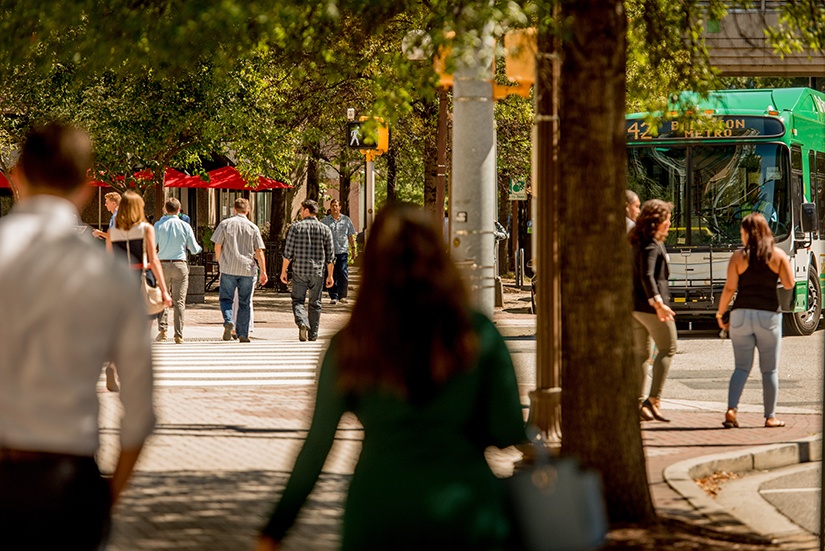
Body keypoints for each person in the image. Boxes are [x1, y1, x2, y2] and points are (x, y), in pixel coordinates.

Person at [257, 204, 526, 551]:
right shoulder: (476, 334)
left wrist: (274, 531)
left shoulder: (352, 342)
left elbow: (316, 447)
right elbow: (507, 431)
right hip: (466, 509)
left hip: (378, 511)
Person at [0, 123, 155, 549]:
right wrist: (107, 499)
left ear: (17, 175)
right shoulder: (110, 276)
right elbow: (139, 415)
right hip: (69, 482)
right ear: (85, 188)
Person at [717, 213, 794, 429]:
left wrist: (720, 313)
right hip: (768, 315)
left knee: (741, 367)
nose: (741, 236)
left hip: (741, 314)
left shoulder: (738, 257)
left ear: (748, 233)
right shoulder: (777, 255)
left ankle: (732, 409)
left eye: (742, 232)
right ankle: (770, 417)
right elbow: (789, 284)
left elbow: (730, 288)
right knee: (769, 370)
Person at [107, 191, 173, 390]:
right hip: (143, 279)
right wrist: (164, 289)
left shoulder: (113, 231)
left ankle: (115, 366)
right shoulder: (146, 229)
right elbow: (153, 260)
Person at [630, 199, 677, 423]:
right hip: (650, 308)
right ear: (656, 221)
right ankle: (653, 399)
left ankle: (638, 402)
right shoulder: (650, 244)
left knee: (642, 354)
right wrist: (658, 303)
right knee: (669, 347)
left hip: (635, 307)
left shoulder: (638, 241)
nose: (669, 223)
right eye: (667, 219)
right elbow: (647, 276)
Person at [211, 198, 268, 342]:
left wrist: (220, 262)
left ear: (234, 209)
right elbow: (259, 251)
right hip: (247, 269)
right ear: (247, 211)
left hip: (228, 268)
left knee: (226, 299)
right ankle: (243, 334)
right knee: (244, 302)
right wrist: (263, 271)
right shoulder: (253, 227)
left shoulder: (225, 224)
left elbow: (217, 245)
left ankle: (229, 320)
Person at [281, 199, 334, 341]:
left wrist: (284, 271)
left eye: (301, 209)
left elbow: (288, 253)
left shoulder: (296, 228)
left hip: (299, 271)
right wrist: (330, 276)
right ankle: (313, 335)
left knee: (297, 300)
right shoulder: (325, 229)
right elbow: (330, 256)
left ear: (306, 210)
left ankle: (302, 323)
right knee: (315, 303)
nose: (300, 212)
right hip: (318, 272)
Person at [154, 197, 202, 344]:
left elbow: (152, 245)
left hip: (162, 265)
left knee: (163, 298)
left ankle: (162, 331)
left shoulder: (158, 225)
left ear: (165, 209)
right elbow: (194, 249)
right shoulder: (185, 226)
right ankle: (178, 334)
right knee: (179, 301)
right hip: (180, 264)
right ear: (179, 210)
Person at [321, 198, 357, 304]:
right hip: (329, 251)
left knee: (343, 272)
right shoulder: (325, 221)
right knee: (331, 273)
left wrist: (353, 249)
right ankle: (333, 296)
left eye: (336, 205)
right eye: (333, 205)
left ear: (340, 207)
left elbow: (350, 236)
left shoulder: (346, 220)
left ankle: (342, 295)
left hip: (342, 251)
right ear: (330, 207)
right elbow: (322, 237)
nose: (335, 207)